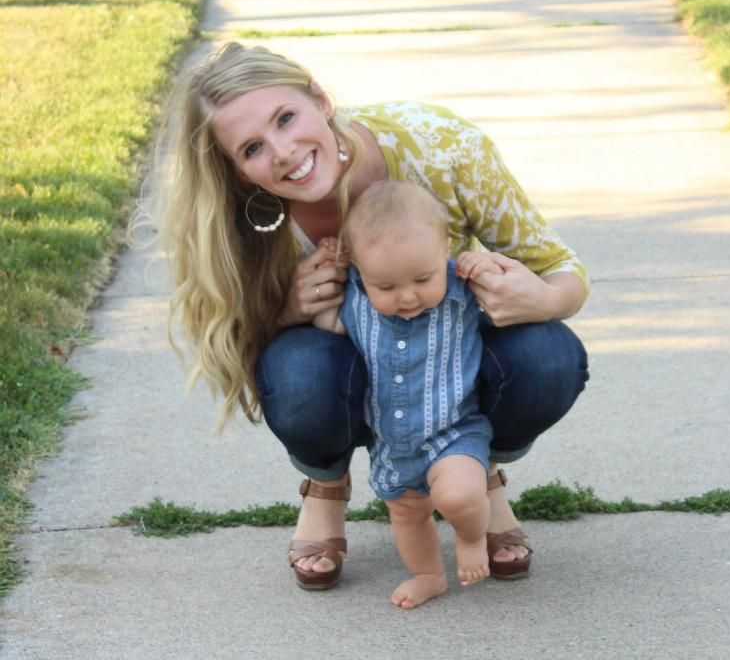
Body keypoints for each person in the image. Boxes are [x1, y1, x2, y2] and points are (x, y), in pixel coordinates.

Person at [162, 41, 590, 594]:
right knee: (297, 373)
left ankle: (476, 470)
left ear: (320, 98)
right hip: (343, 367)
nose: (285, 152)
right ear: (239, 171)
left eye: (287, 118)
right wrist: (287, 309)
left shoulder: (439, 145)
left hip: (448, 370)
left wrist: (544, 300)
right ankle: (325, 487)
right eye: (252, 148)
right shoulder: (239, 217)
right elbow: (228, 340)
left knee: (549, 355)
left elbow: (560, 267)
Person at [312, 179, 513, 609]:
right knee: (407, 516)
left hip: (453, 432)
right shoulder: (356, 298)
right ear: (361, 272)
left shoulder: (461, 288)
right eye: (386, 286)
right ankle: (429, 575)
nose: (407, 296)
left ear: (445, 253)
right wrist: (329, 262)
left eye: (423, 278)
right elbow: (326, 322)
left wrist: (488, 265)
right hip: (392, 447)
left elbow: (504, 295)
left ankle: (473, 536)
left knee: (458, 495)